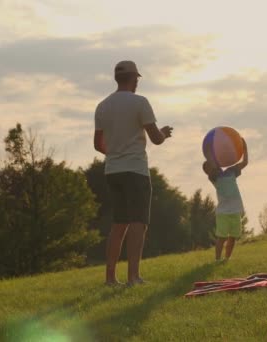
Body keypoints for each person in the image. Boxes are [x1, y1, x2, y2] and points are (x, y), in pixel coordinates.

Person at [94, 60, 173, 286]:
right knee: (138, 223)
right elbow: (156, 139)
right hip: (135, 171)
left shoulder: (102, 106)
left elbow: (97, 144)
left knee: (119, 224)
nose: (138, 82)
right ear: (133, 78)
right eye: (137, 78)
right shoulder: (140, 102)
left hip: (112, 171)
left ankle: (110, 278)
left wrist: (115, 152)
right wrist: (165, 133)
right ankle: (133, 277)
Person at [202, 139, 248, 262]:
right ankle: (217, 260)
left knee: (233, 237)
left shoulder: (231, 171)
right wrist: (209, 150)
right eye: (207, 167)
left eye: (210, 164)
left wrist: (245, 149)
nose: (210, 167)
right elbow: (211, 167)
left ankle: (227, 259)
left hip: (235, 211)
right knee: (221, 237)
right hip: (223, 213)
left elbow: (245, 162)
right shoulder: (213, 177)